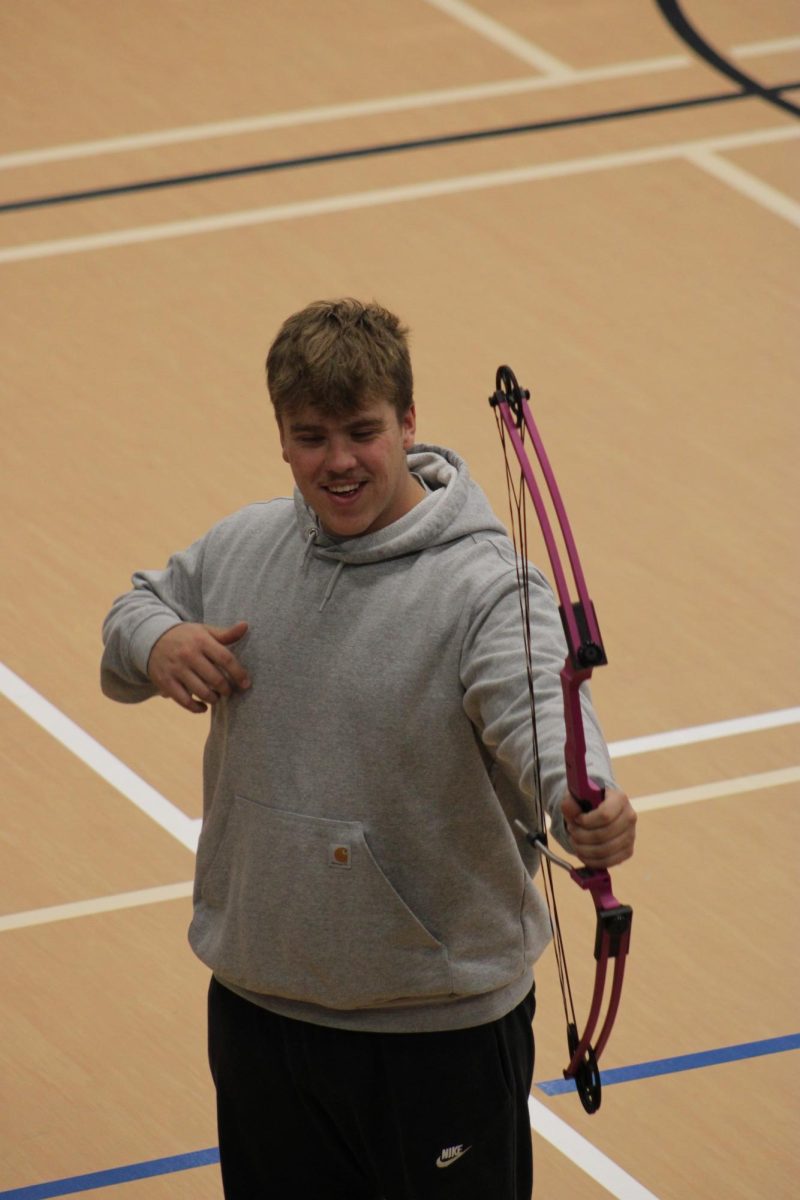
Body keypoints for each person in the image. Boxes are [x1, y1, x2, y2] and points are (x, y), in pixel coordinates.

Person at [101, 298, 636, 1199]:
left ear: (409, 422)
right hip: (260, 1016)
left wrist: (590, 806)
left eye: (363, 431)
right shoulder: (245, 546)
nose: (339, 461)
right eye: (311, 436)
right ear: (280, 437)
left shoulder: (483, 588)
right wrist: (157, 642)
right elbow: (131, 613)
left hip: (439, 1038)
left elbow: (544, 718)